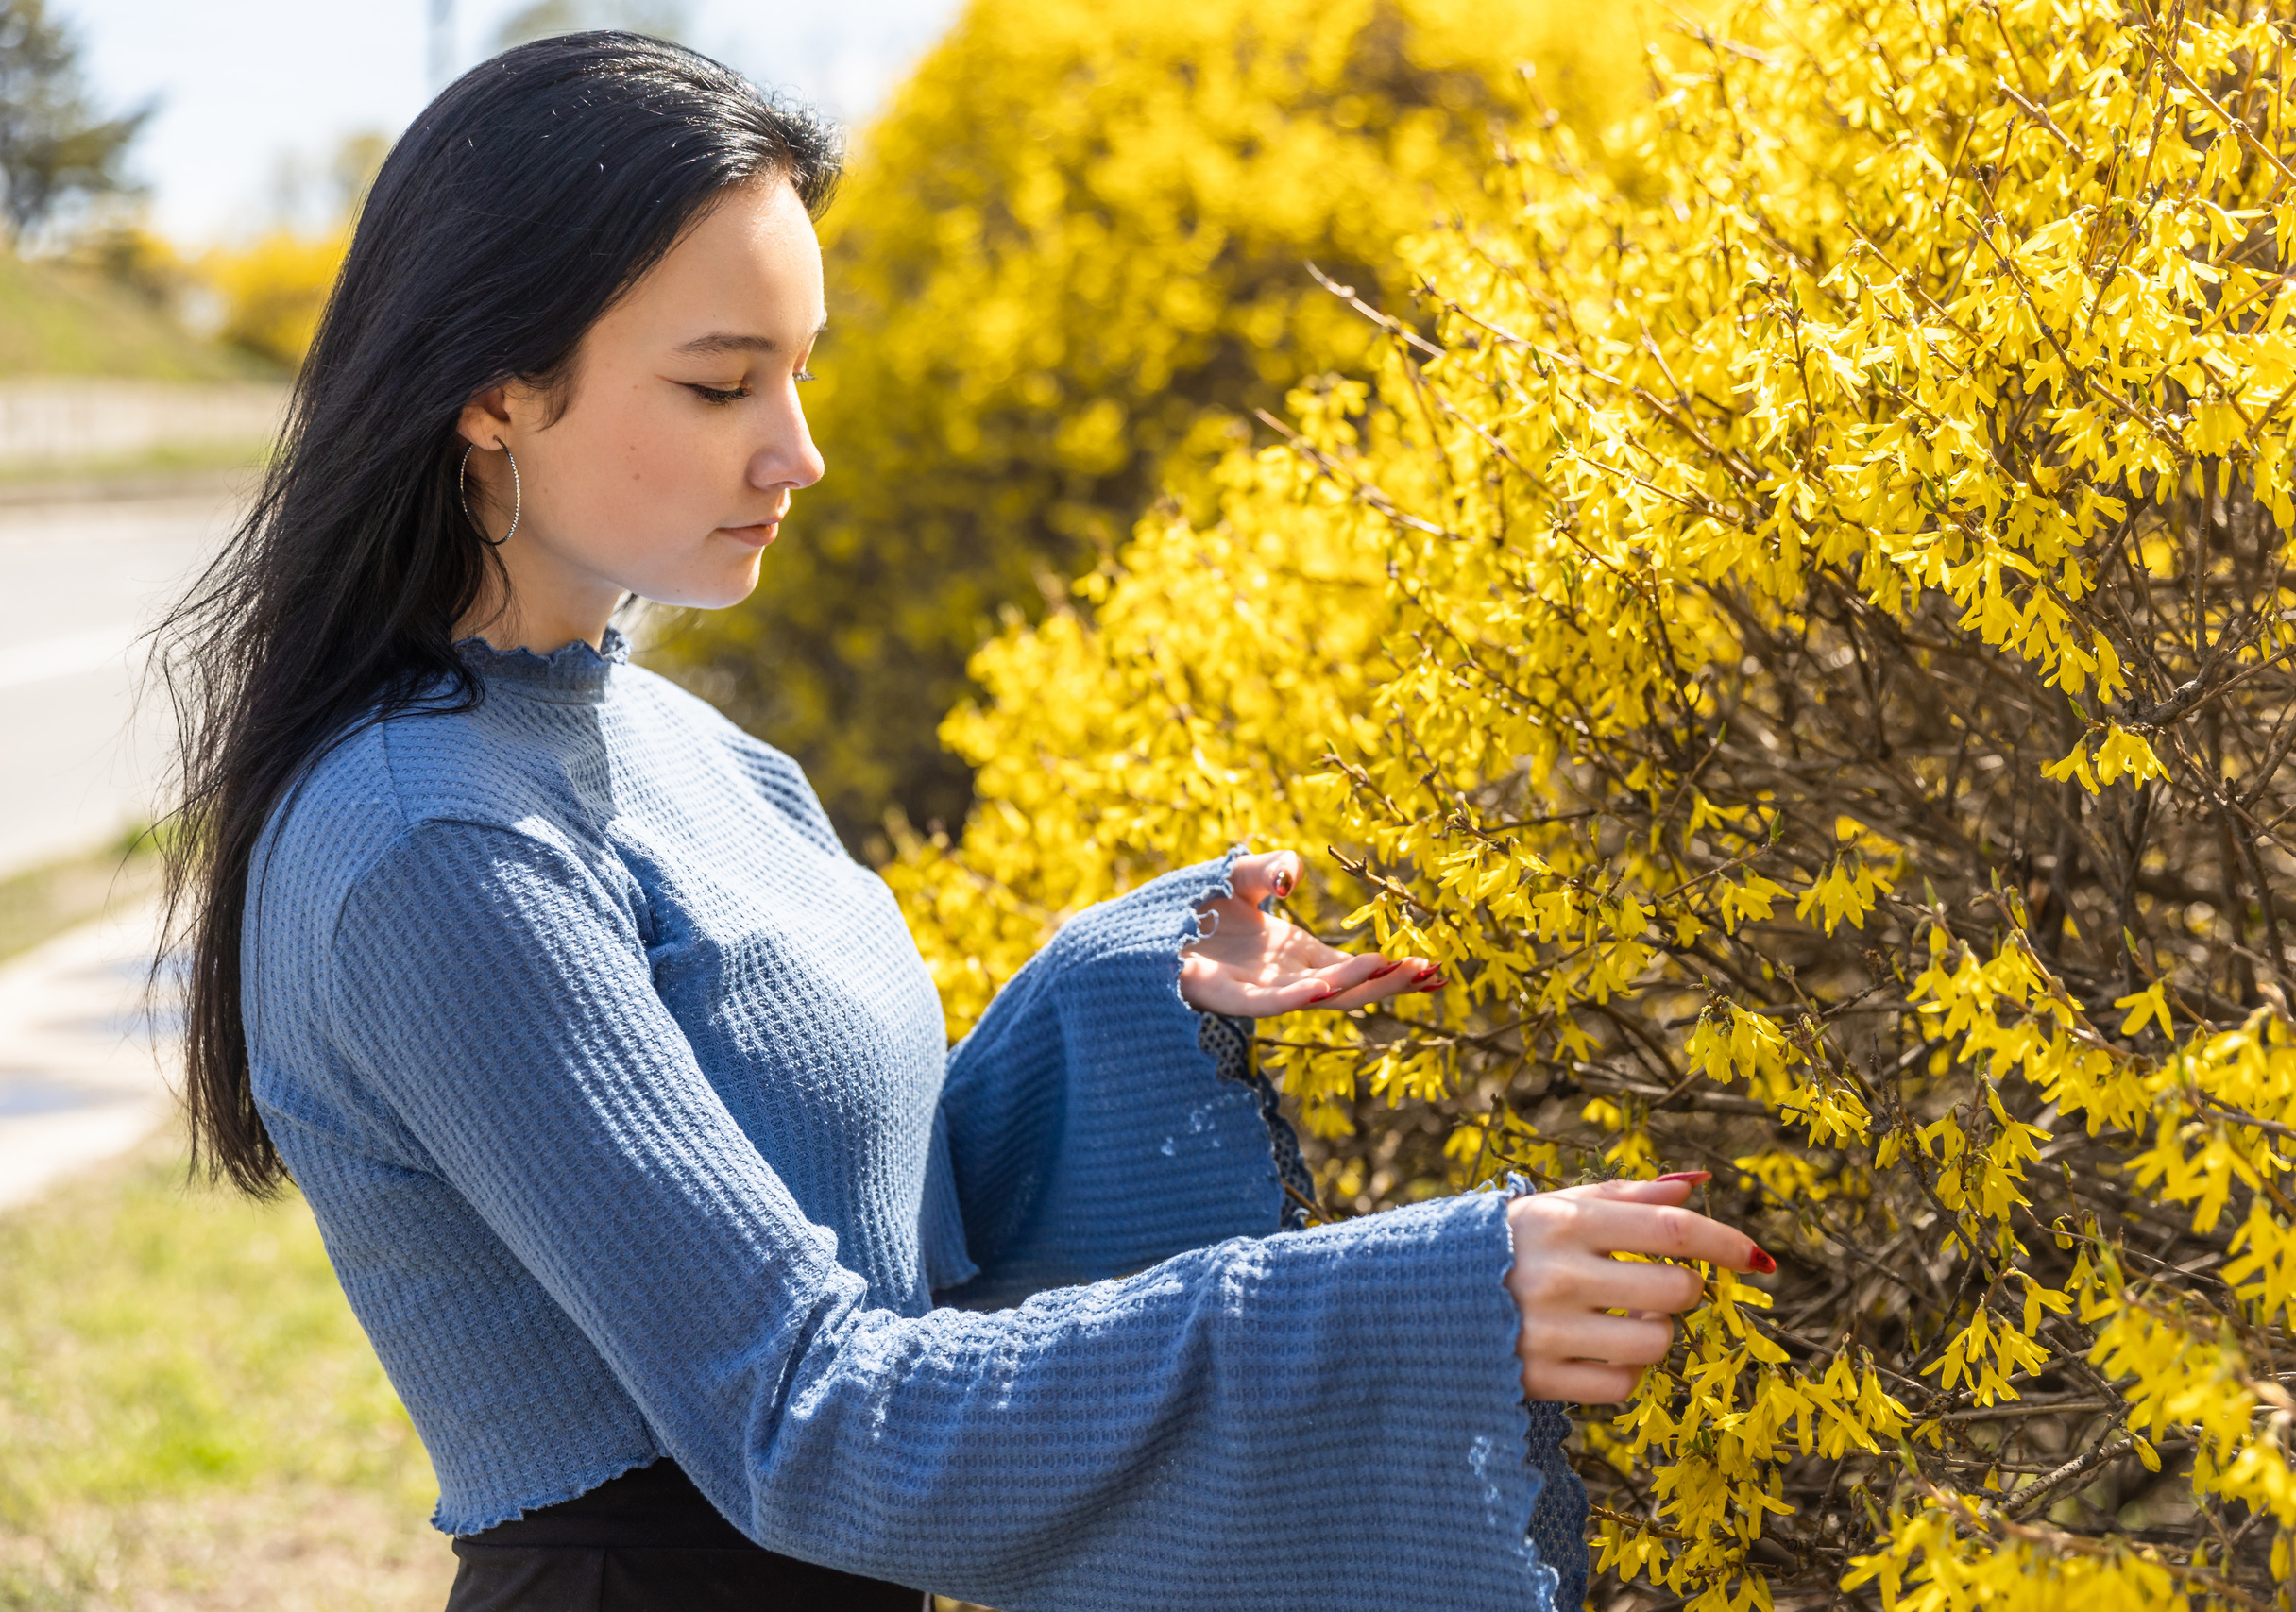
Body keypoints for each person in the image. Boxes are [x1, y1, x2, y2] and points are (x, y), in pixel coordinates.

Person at [156, 31, 1768, 1612]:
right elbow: (814, 1417)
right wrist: (1416, 1305)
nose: (800, 450)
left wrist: (1118, 1001)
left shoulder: (681, 744)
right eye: (723, 383)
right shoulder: (434, 843)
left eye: (799, 369)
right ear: (494, 395)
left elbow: (897, 1240)